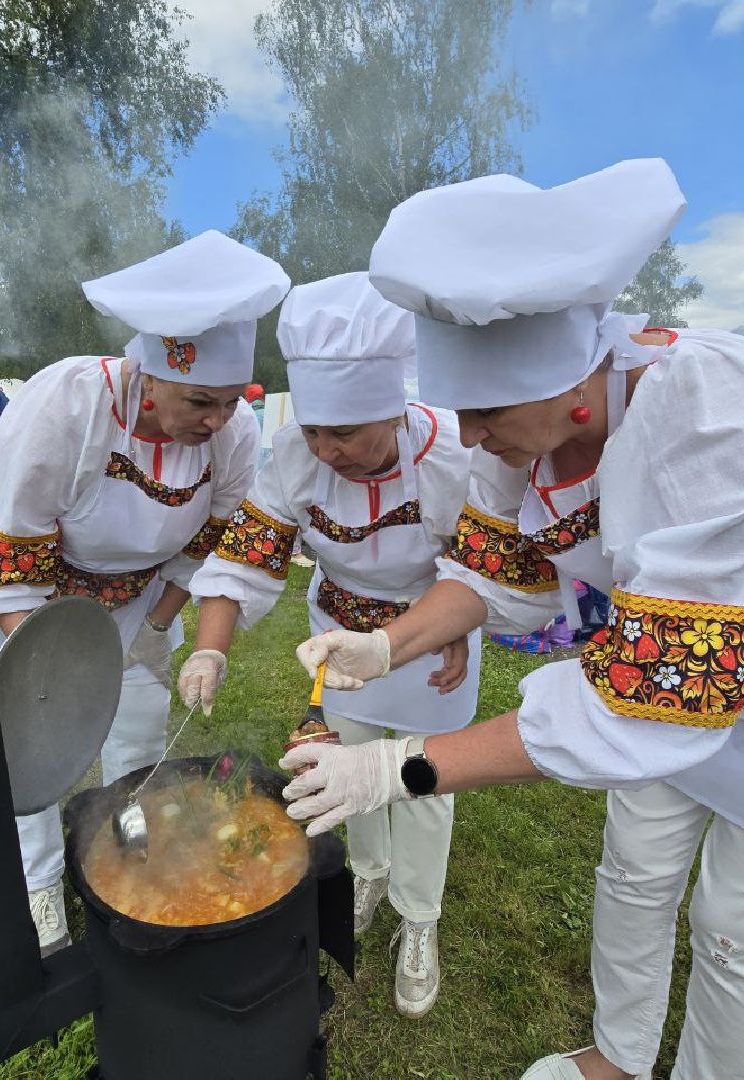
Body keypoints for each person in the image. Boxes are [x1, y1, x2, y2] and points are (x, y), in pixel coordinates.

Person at [279, 162, 744, 1080]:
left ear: (571, 379)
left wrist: (395, 767)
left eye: (484, 412)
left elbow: (654, 695)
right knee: (637, 862)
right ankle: (618, 1056)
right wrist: (387, 641)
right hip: (685, 669)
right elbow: (493, 576)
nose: (471, 435)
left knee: (740, 924)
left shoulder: (720, 408)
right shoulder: (518, 439)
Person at [181, 273, 504, 1018]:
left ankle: (419, 919)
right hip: (337, 636)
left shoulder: (452, 454)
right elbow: (244, 557)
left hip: (429, 635)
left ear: (393, 408)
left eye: (347, 434)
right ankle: (367, 870)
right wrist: (212, 649)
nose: (326, 451)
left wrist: (461, 626)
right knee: (345, 762)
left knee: (426, 779)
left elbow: (483, 563)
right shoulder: (295, 456)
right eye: (316, 430)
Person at [0, 230, 286, 951]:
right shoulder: (68, 405)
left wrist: (154, 629)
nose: (220, 421)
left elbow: (207, 545)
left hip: (140, 599)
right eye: (201, 400)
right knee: (35, 743)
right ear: (149, 375)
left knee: (138, 728)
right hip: (33, 604)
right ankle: (41, 883)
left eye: (232, 401)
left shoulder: (229, 436)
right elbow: (12, 555)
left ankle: (127, 848)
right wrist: (64, 665)